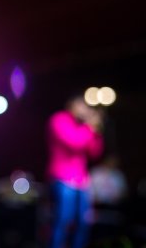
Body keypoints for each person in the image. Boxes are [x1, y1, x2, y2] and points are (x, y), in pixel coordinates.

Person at [45, 93, 105, 248]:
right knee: (64, 221)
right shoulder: (59, 120)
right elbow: (74, 143)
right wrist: (89, 127)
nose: (86, 109)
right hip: (63, 179)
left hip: (82, 182)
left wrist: (96, 132)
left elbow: (95, 152)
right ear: (72, 104)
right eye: (83, 105)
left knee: (84, 222)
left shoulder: (84, 126)